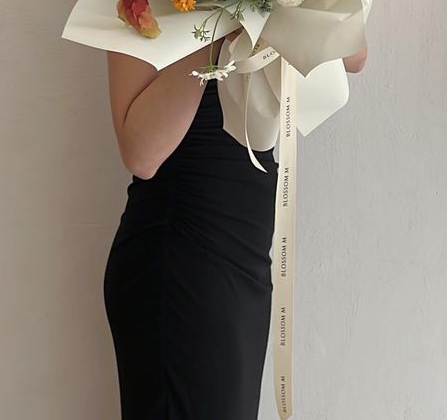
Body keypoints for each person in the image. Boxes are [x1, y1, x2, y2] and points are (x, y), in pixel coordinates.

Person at [103, 38, 368, 420]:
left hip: (244, 252)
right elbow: (141, 155)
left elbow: (355, 55)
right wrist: (223, 18)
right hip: (181, 254)